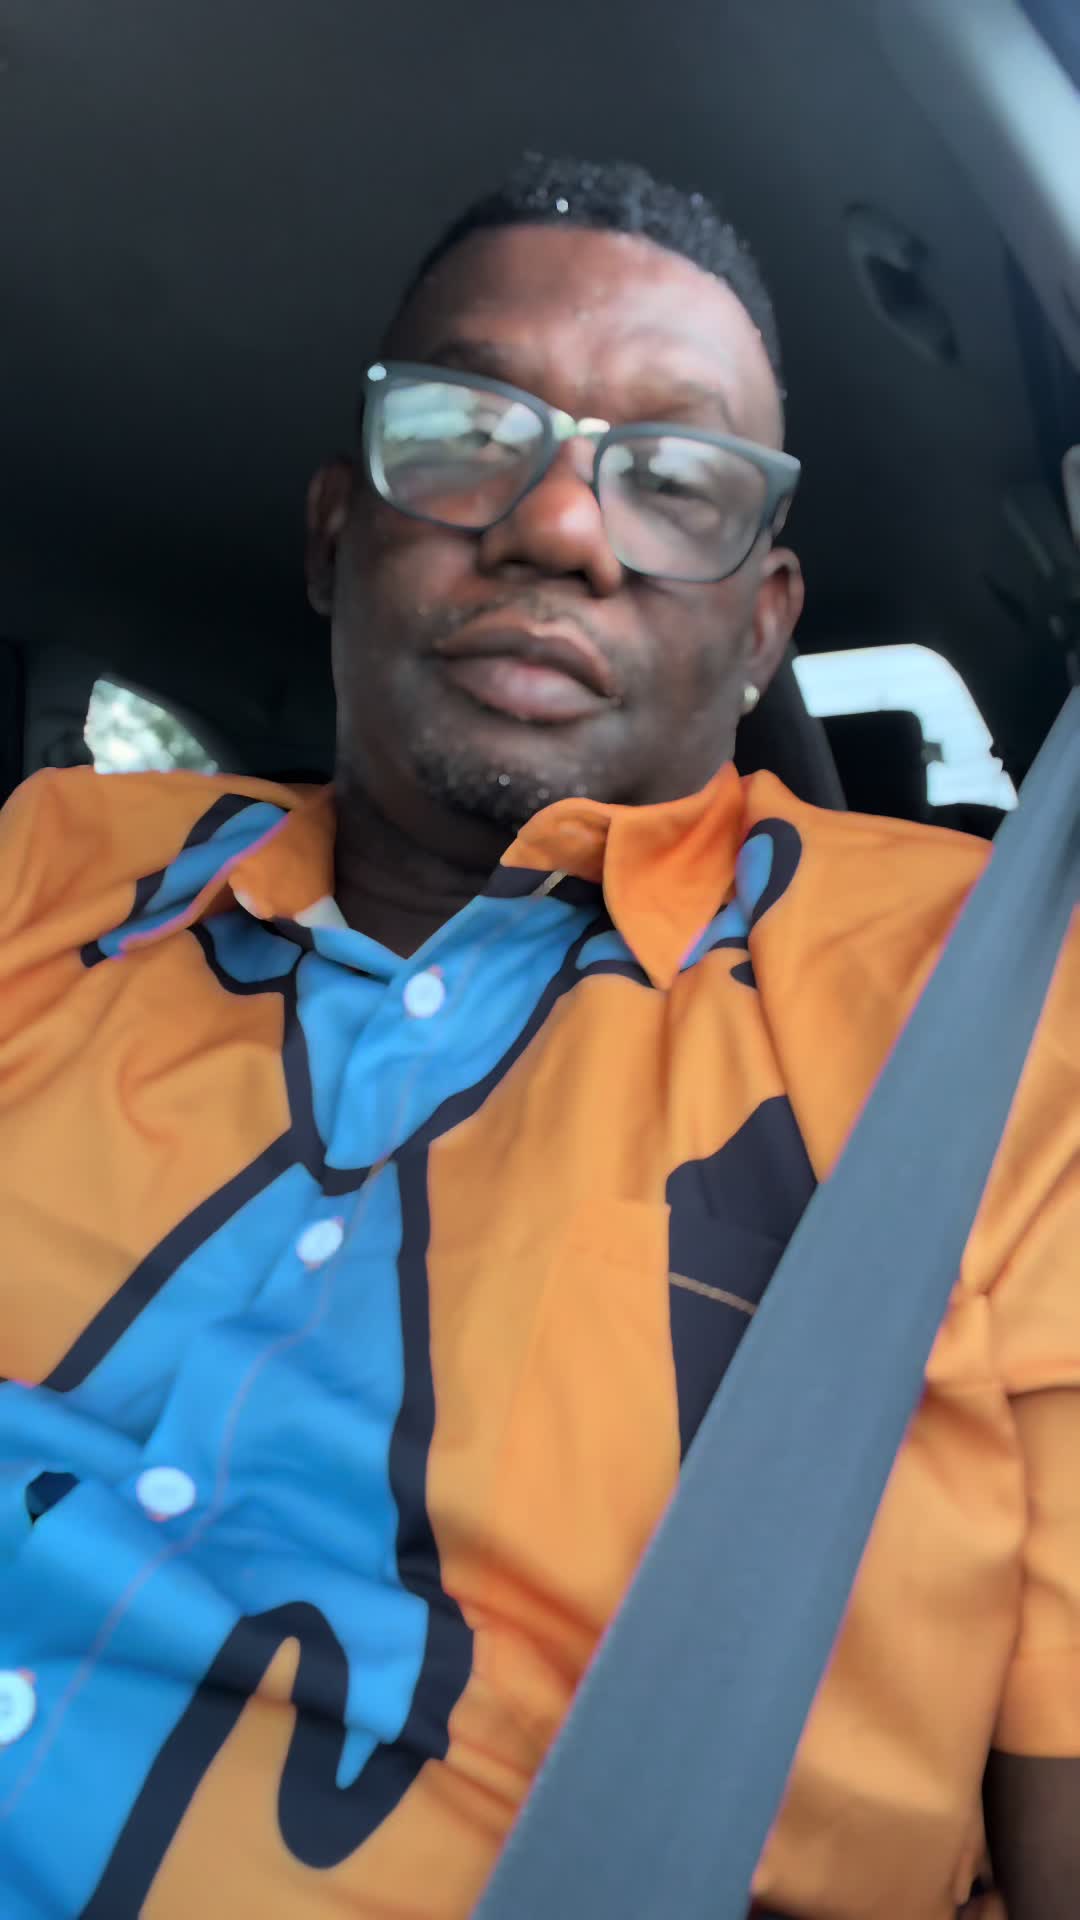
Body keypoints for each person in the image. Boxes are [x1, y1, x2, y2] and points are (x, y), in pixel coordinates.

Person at [0, 154, 1076, 1920]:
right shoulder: (50, 865)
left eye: (677, 480)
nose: (562, 527)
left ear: (764, 625)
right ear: (334, 535)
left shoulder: (994, 1003)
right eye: (463, 431)